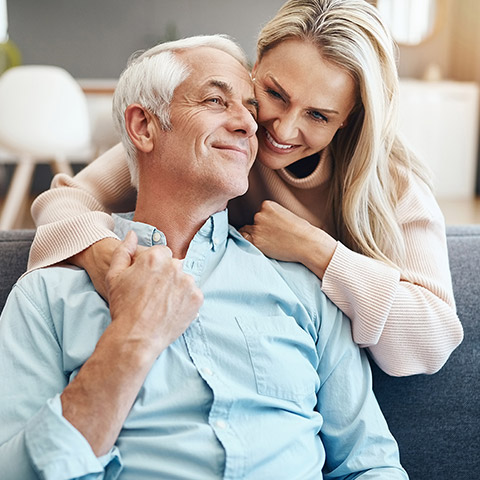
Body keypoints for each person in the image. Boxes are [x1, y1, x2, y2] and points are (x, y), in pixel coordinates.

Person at [0, 35, 408, 479]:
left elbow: (372, 465)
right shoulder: (48, 296)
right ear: (144, 127)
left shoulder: (304, 287)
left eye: (251, 108)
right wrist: (132, 338)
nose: (251, 125)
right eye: (216, 100)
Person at [28, 0, 463, 377]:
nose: (283, 129)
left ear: (348, 119)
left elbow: (433, 337)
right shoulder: (218, 144)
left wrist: (315, 250)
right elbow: (66, 199)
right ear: (255, 67)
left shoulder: (391, 180)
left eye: (319, 116)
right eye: (274, 94)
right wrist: (103, 258)